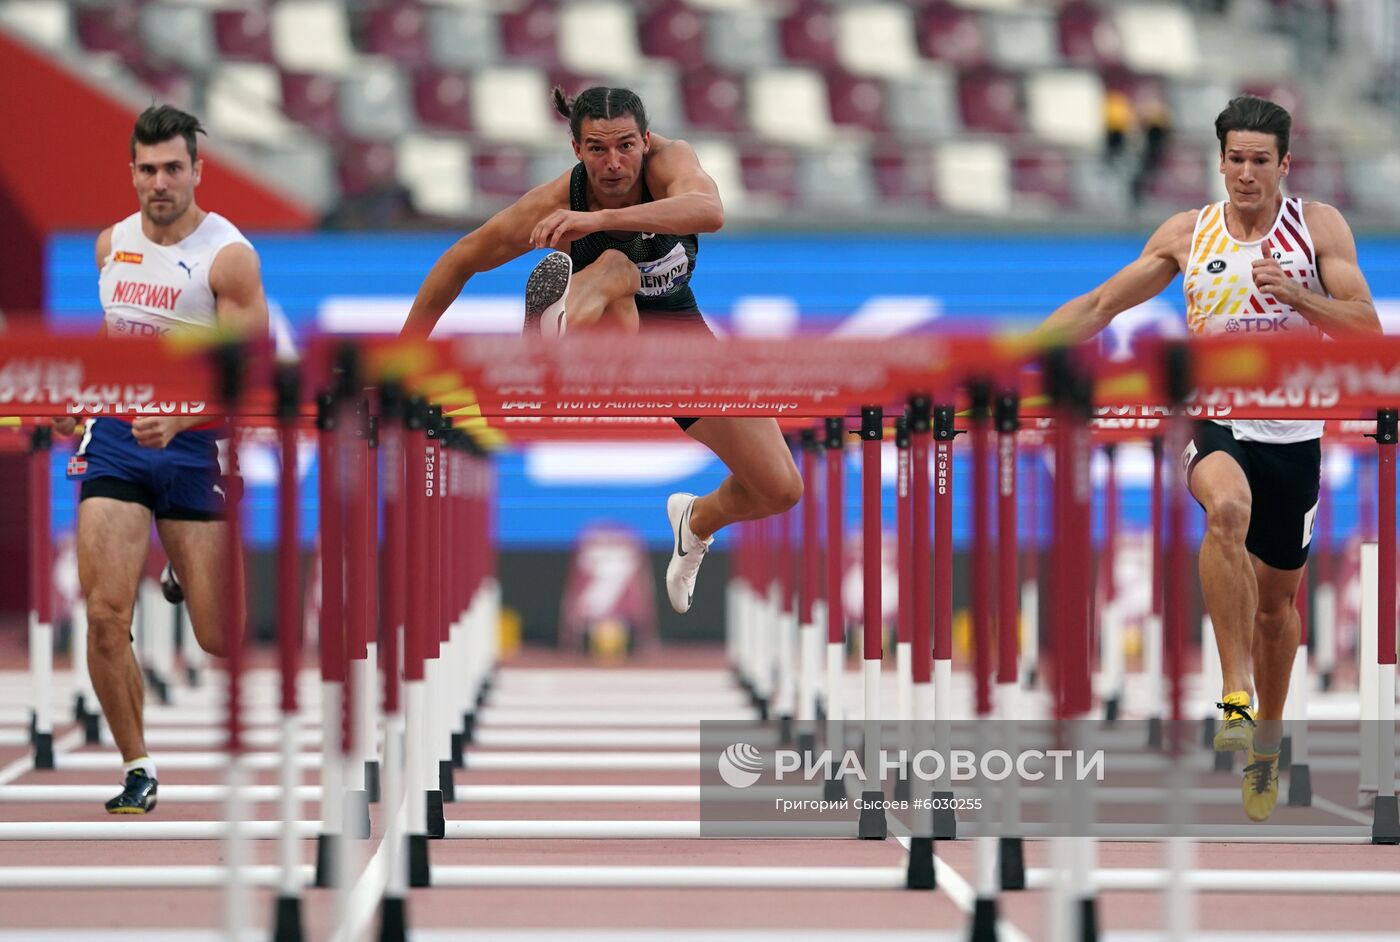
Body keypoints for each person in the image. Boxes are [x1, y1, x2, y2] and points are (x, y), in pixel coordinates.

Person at [1032, 96, 1381, 821]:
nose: (1246, 175)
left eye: (1261, 161)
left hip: (1295, 431)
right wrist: (1019, 353)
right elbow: (1100, 305)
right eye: (1235, 160)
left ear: (1285, 165)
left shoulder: (1317, 229)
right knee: (1226, 510)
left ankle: (1268, 741)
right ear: (1219, 160)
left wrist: (1300, 297)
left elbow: (1367, 330)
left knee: (1279, 609)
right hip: (1212, 418)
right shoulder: (1189, 232)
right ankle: (1234, 696)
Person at [402, 86, 802, 614]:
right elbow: (460, 260)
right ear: (575, 149)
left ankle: (695, 521)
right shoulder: (552, 203)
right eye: (596, 149)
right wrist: (403, 360)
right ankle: (555, 340)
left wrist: (596, 221)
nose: (613, 163)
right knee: (617, 267)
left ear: (646, 140)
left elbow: (710, 211)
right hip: (609, 335)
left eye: (625, 147)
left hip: (680, 340)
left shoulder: (670, 163)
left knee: (779, 488)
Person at [57, 105, 269, 813]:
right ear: (133, 172)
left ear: (197, 171)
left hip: (193, 442)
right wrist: (82, 403)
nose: (160, 182)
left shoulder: (228, 256)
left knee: (217, 635)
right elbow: (115, 339)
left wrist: (180, 415)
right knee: (105, 611)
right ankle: (137, 766)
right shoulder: (109, 245)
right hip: (117, 435)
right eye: (147, 169)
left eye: (173, 168)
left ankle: (182, 566)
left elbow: (253, 373)